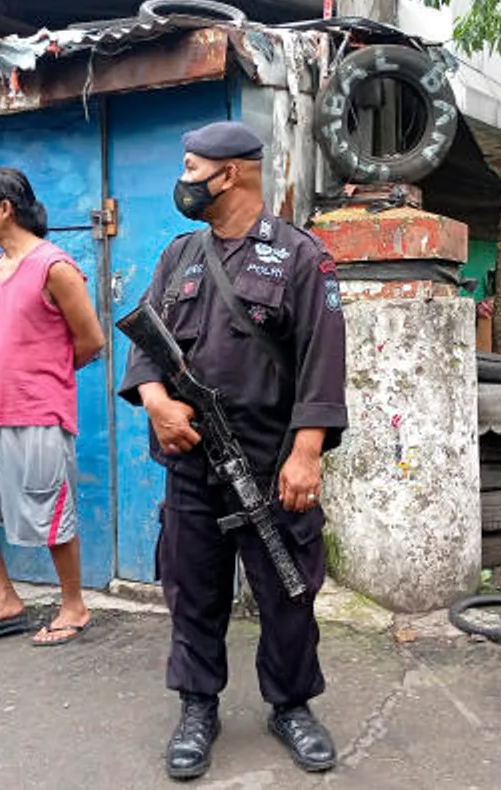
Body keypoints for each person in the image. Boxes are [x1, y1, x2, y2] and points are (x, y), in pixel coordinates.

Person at [119, 121, 348, 780]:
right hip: (192, 464)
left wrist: (307, 452)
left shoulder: (302, 256)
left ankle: (292, 705)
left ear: (233, 172)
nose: (184, 180)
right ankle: (197, 705)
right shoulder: (179, 255)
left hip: (272, 465)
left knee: (288, 588)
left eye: (193, 167)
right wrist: (157, 403)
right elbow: (147, 344)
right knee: (191, 589)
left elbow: (322, 359)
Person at [0, 167, 104, 648]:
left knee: (49, 515)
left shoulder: (54, 267)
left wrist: (43, 378)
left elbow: (90, 340)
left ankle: (74, 606)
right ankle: (3, 599)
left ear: (5, 208)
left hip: (38, 412)